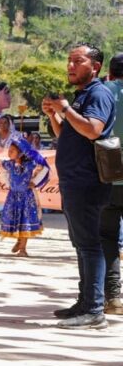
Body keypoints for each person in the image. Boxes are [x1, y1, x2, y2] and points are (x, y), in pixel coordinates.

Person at [42, 43, 116, 330]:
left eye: (78, 61)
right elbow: (67, 133)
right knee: (81, 244)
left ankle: (95, 310)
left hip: (88, 181)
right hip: (75, 180)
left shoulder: (99, 93)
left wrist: (64, 108)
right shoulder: (83, 95)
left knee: (90, 244)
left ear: (95, 67)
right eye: (69, 61)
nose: (70, 66)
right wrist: (54, 114)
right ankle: (85, 303)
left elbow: (93, 130)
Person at [97, 53, 123, 315]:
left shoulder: (102, 92)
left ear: (110, 72)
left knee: (107, 237)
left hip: (108, 176)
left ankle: (113, 297)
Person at [0, 134, 48, 257]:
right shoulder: (9, 164)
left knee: (25, 220)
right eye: (9, 150)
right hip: (13, 197)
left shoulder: (30, 164)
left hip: (27, 197)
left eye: (12, 150)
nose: (9, 152)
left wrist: (35, 182)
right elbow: (3, 172)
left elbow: (45, 168)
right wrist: (9, 184)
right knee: (16, 219)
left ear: (21, 153)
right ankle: (19, 241)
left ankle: (23, 249)